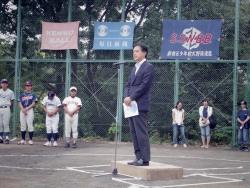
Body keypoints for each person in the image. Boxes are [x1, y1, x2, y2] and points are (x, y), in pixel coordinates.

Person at [124, 43, 155, 166]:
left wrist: (131, 97)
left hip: (140, 104)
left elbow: (144, 85)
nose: (134, 53)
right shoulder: (134, 68)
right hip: (130, 105)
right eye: (133, 51)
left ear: (144, 52)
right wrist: (126, 97)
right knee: (134, 132)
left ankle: (145, 159)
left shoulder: (149, 67)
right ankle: (138, 157)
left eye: (137, 51)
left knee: (141, 132)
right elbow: (128, 85)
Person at [0, 78, 15, 144]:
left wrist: (9, 106)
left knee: (6, 123)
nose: (4, 84)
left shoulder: (10, 92)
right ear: (0, 84)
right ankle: (0, 138)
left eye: (5, 83)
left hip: (6, 108)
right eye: (3, 83)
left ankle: (7, 138)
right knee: (0, 124)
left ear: (7, 84)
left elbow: (12, 101)